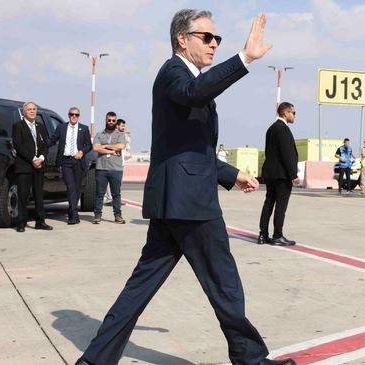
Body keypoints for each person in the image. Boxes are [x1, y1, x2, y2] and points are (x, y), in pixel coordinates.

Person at [76, 10, 295, 365]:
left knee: (141, 286)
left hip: (173, 199)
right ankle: (250, 360)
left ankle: (95, 360)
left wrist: (229, 173)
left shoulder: (185, 79)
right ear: (182, 38)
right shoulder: (174, 73)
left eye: (217, 40)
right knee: (224, 283)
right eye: (207, 37)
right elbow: (194, 93)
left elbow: (187, 147)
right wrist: (243, 59)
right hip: (190, 203)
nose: (214, 44)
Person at [258, 102, 299, 246]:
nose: (294, 116)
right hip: (282, 175)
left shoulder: (271, 129)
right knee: (281, 205)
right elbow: (287, 154)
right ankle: (277, 235)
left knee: (268, 202)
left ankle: (262, 235)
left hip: (270, 173)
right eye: (293, 113)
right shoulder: (283, 129)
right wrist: (293, 174)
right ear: (285, 113)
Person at [11, 101, 53, 232]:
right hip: (25, 166)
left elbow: (46, 145)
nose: (32, 111)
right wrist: (32, 159)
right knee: (23, 196)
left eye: (34, 109)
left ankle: (40, 222)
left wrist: (41, 158)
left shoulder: (40, 127)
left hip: (39, 166)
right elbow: (18, 145)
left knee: (39, 195)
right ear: (24, 112)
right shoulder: (18, 126)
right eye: (29, 109)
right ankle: (21, 223)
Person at [47, 107, 92, 225]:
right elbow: (52, 140)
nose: (74, 116)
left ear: (79, 116)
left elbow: (89, 145)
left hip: (78, 162)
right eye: (72, 114)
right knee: (71, 187)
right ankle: (74, 215)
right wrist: (40, 146)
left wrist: (82, 152)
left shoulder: (84, 129)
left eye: (76, 115)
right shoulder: (61, 127)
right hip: (66, 161)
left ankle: (72, 212)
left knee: (76, 188)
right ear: (68, 115)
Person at [91, 112, 127, 224]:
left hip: (116, 169)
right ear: (105, 120)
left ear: (116, 121)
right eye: (109, 120)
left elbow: (121, 146)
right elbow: (96, 148)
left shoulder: (120, 134)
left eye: (113, 120)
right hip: (101, 168)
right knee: (99, 193)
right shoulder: (99, 134)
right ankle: (97, 215)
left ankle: (118, 215)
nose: (111, 122)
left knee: (116, 194)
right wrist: (112, 151)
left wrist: (105, 145)